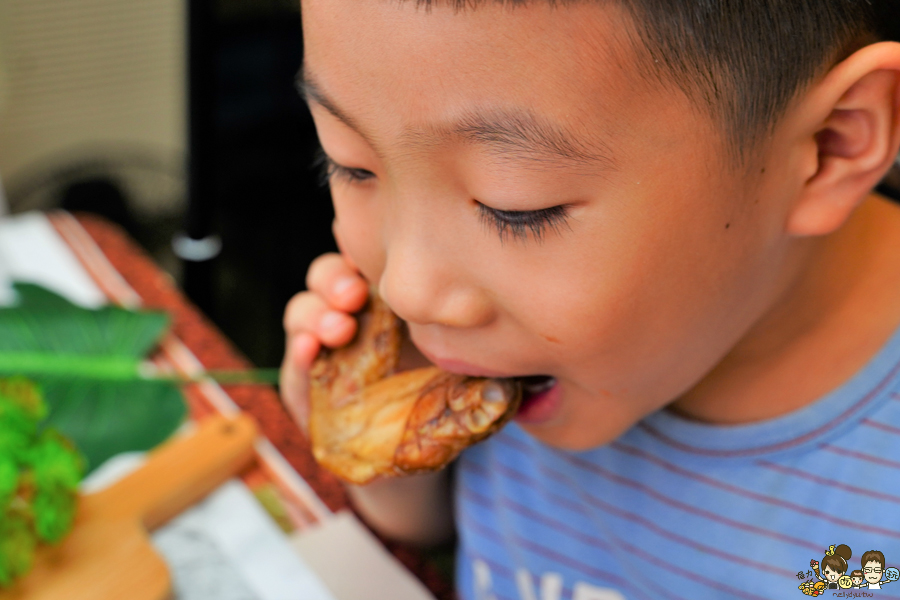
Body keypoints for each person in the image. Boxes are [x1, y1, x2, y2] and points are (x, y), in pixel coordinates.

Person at [279, 1, 900, 598]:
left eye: (514, 207)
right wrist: (395, 466)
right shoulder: (532, 353)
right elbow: (468, 531)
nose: (406, 290)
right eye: (351, 164)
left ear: (831, 146)